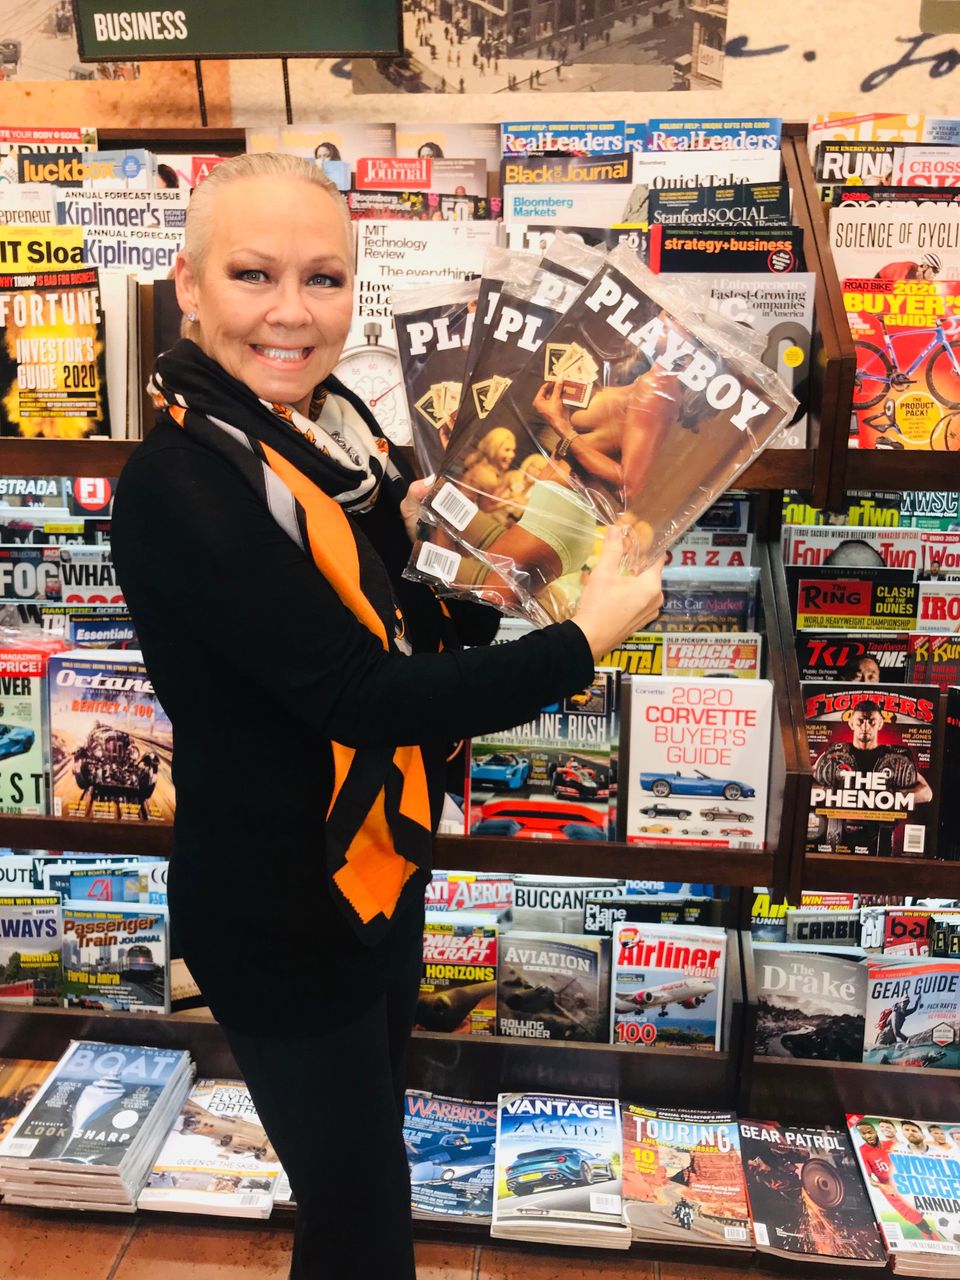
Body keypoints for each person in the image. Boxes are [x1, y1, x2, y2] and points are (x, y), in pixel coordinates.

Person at [109, 152, 664, 1280]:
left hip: (372, 867)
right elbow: (360, 697)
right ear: (190, 284)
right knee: (359, 1209)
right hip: (280, 906)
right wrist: (579, 643)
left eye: (324, 278)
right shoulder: (182, 482)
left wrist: (420, 542)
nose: (291, 311)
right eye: (254, 274)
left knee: (370, 1174)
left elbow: (375, 623)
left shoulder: (325, 432)